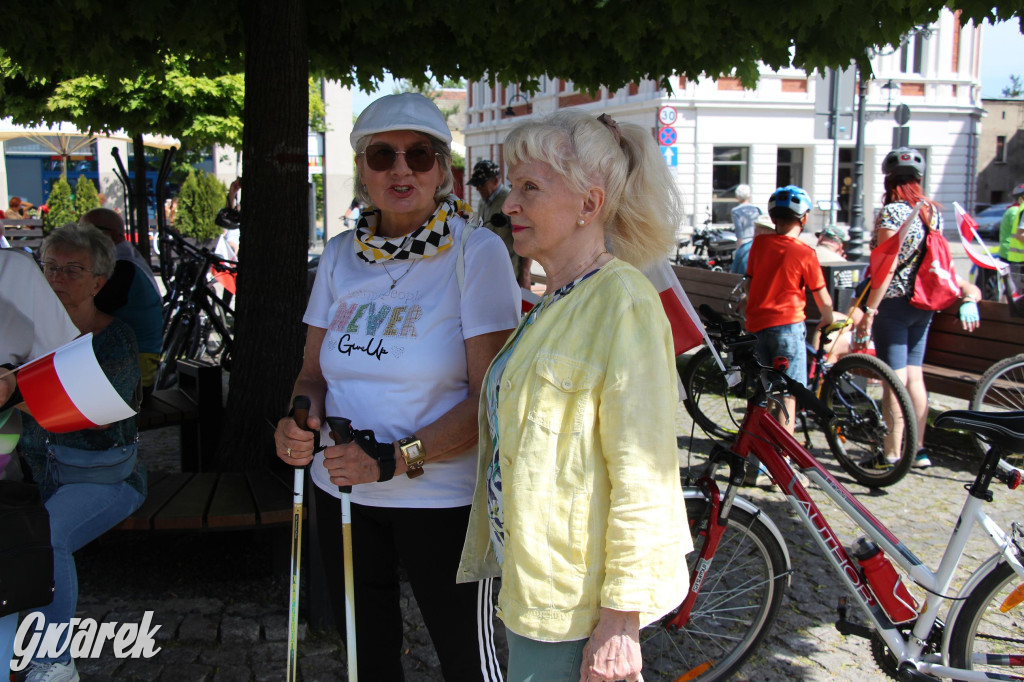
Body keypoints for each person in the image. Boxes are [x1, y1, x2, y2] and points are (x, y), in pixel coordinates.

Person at [273, 93, 519, 681]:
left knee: (468, 662)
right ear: (362, 170)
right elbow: (312, 375)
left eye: (420, 155)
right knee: (366, 658)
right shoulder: (340, 255)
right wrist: (297, 420)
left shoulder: (476, 252)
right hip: (343, 493)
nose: (401, 169)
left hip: (442, 501)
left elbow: (490, 399)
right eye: (382, 155)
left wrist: (390, 460)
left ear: (443, 172)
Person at [457, 111, 691, 682]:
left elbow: (645, 473)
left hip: (575, 612)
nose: (510, 204)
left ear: (590, 203)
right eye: (513, 186)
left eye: (530, 187)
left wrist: (620, 622)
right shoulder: (558, 299)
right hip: (534, 588)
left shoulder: (623, 302)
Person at [17, 223, 146, 682]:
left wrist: (15, 390)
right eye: (50, 267)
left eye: (72, 270)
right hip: (37, 476)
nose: (57, 278)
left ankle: (55, 662)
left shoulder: (115, 339)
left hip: (106, 478)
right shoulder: (22, 333)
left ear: (98, 282)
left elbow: (98, 413)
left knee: (46, 537)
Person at [853, 148, 982, 469]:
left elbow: (887, 264)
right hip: (924, 303)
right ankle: (919, 450)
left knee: (893, 381)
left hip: (894, 304)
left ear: (889, 181)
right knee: (914, 376)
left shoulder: (892, 213)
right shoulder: (931, 211)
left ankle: (891, 453)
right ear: (918, 179)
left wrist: (870, 310)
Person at [745, 185, 834, 438]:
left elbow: (750, 283)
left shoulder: (759, 244)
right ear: (804, 218)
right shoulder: (805, 253)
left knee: (764, 392)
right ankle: (784, 454)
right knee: (788, 394)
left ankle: (759, 451)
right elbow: (822, 297)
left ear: (773, 218)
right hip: (787, 328)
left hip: (756, 326)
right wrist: (827, 319)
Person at [80, 209, 162, 397]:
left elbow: (87, 311)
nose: (80, 238)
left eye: (86, 231)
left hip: (133, 375)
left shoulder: (121, 267)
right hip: (127, 364)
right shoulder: (121, 260)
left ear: (112, 235)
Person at [468, 159, 533, 288]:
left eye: (481, 184)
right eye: (476, 184)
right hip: (488, 273)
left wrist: (525, 275)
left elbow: (527, 239)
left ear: (496, 180)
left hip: (509, 275)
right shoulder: (483, 202)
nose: (477, 188)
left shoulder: (510, 202)